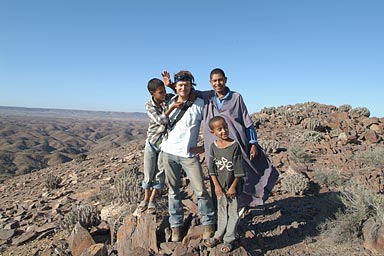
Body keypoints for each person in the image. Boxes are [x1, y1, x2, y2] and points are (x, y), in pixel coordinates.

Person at [162, 68, 279, 208]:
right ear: (210, 82)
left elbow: (247, 122)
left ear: (226, 80)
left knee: (241, 174)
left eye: (220, 80)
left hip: (236, 143)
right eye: (215, 81)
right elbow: (187, 92)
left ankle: (240, 206)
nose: (218, 83)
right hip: (215, 147)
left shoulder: (236, 97)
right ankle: (220, 212)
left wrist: (253, 142)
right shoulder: (207, 97)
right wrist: (170, 85)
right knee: (216, 175)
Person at [159, 70, 216, 242]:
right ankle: (176, 226)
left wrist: (204, 148)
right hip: (168, 153)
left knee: (200, 191)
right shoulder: (169, 100)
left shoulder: (200, 104)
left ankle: (208, 224)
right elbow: (160, 122)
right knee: (173, 192)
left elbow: (210, 126)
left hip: (188, 156)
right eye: (180, 85)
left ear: (192, 86)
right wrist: (171, 107)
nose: (183, 88)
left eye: (186, 85)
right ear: (175, 87)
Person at [136, 78, 182, 214]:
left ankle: (151, 200)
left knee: (160, 172)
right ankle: (145, 198)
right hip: (152, 141)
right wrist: (172, 108)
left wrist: (171, 85)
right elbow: (160, 120)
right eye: (160, 92)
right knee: (148, 171)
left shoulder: (167, 98)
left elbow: (180, 94)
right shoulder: (149, 105)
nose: (164, 94)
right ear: (152, 93)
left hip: (165, 142)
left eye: (164, 91)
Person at [204, 115, 245, 253]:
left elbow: (239, 170)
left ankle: (229, 239)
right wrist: (216, 186)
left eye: (225, 127)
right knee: (221, 211)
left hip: (232, 187)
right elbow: (212, 169)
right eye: (219, 129)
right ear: (213, 132)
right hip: (220, 187)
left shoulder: (234, 146)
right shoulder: (214, 147)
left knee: (233, 212)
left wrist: (233, 186)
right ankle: (218, 235)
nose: (223, 131)